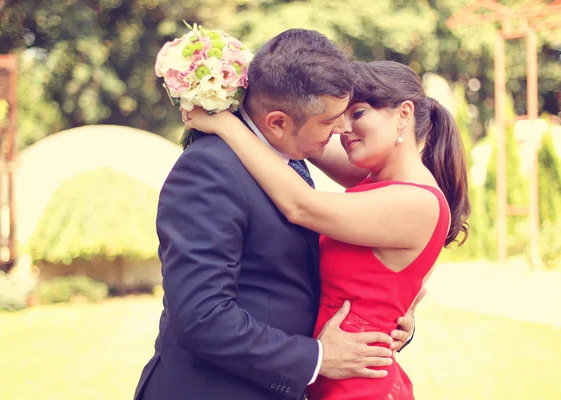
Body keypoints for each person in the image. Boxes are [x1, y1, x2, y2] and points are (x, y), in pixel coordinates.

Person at [134, 30, 416, 400]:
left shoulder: (287, 161)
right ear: (278, 123)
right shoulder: (208, 170)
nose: (342, 129)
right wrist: (317, 358)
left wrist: (385, 319)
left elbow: (293, 275)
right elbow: (202, 317)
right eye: (331, 120)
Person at [183, 60, 471, 400]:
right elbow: (305, 139)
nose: (342, 128)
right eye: (339, 117)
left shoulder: (415, 201)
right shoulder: (376, 179)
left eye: (358, 113)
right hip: (330, 377)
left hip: (359, 388)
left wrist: (225, 125)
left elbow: (299, 204)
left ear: (403, 114)